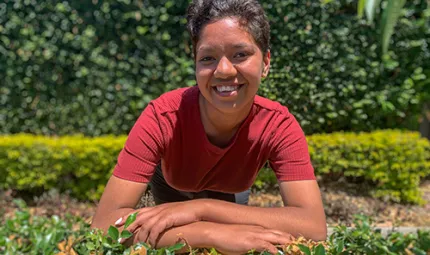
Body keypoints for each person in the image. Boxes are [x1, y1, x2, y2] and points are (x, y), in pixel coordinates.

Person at [91, 0, 327, 254]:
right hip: (172, 185)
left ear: (266, 62)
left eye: (240, 54)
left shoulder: (278, 125)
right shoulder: (162, 116)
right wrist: (209, 233)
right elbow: (104, 226)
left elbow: (313, 227)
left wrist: (203, 209)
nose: (224, 70)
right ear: (195, 63)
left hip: (229, 192)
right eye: (208, 58)